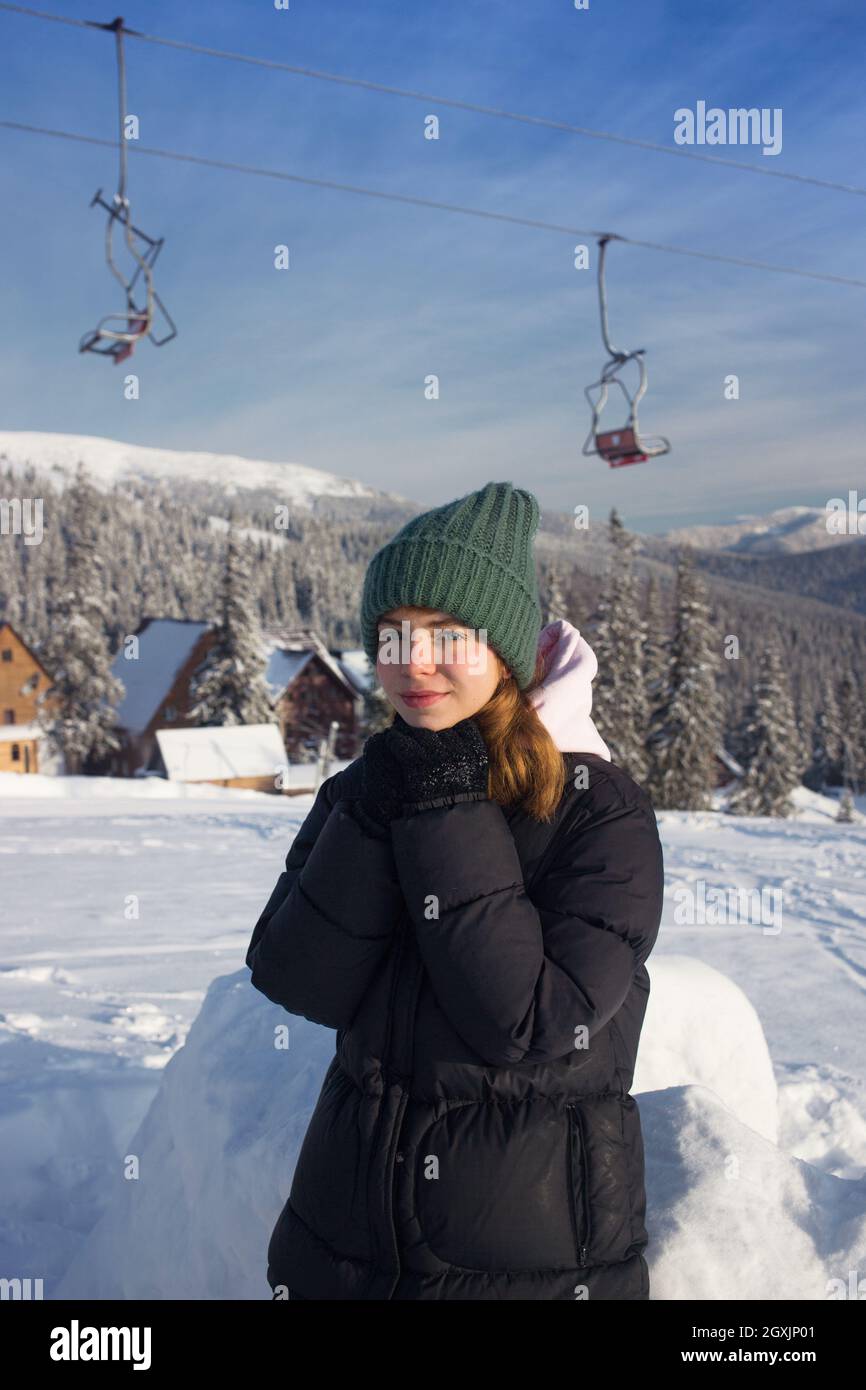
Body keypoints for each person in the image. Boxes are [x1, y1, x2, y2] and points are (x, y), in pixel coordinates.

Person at [246, 480, 664, 1301]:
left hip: (530, 1265)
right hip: (342, 1245)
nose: (413, 664)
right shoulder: (375, 782)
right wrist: (377, 814)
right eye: (392, 637)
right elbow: (297, 977)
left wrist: (444, 812)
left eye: (449, 635)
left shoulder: (599, 809)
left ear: (505, 649)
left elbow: (533, 1024)